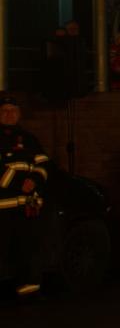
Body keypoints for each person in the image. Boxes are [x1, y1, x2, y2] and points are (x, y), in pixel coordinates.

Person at [0, 97, 50, 296]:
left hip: (28, 204)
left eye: (13, 110)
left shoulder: (29, 139)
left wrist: (35, 180)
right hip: (4, 204)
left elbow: (44, 164)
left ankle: (29, 284)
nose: (9, 114)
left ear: (19, 114)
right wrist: (19, 182)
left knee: (28, 244)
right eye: (4, 110)